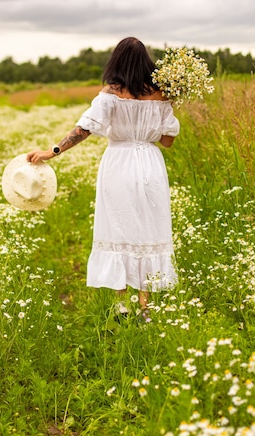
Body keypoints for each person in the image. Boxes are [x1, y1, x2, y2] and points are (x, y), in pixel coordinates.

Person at [27, 36, 180, 318]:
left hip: (118, 164)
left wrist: (52, 151)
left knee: (119, 226)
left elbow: (84, 129)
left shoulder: (111, 93)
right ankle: (146, 305)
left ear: (116, 61)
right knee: (149, 228)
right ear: (148, 62)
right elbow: (168, 141)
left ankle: (122, 303)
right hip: (150, 165)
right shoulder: (163, 95)